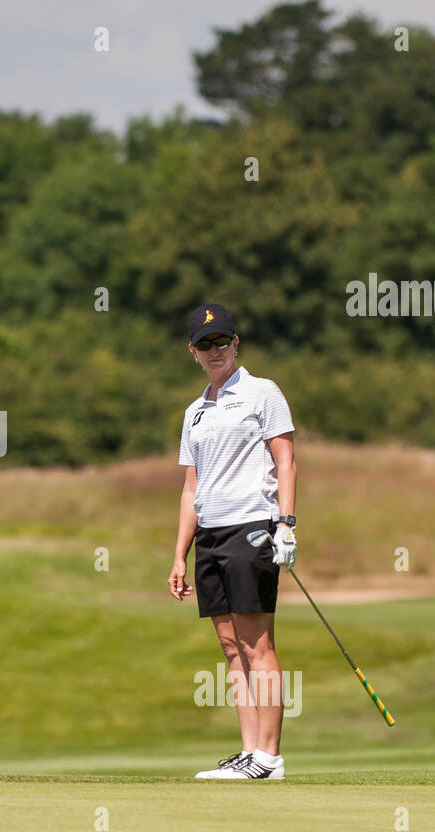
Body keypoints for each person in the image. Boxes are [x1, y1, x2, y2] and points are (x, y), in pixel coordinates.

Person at [168, 304, 297, 780]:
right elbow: (190, 489)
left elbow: (285, 461)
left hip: (251, 528)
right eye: (205, 345)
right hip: (211, 534)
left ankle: (269, 756)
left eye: (222, 342)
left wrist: (286, 523)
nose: (215, 351)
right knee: (229, 646)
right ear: (193, 353)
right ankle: (248, 752)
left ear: (236, 344)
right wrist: (180, 554)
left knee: (256, 642)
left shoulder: (263, 393)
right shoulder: (194, 413)